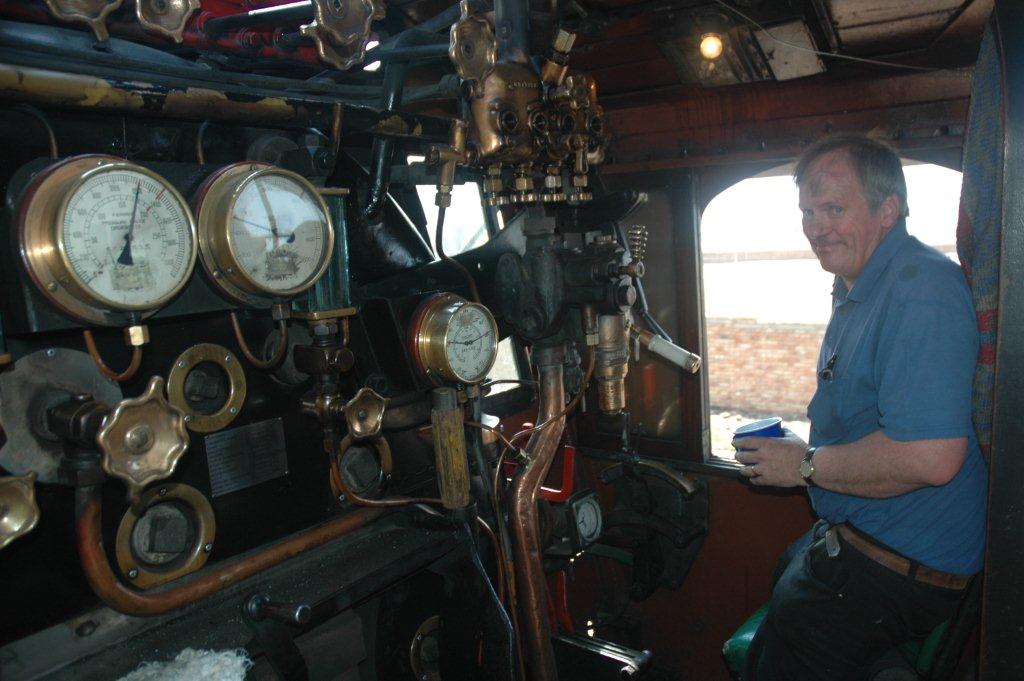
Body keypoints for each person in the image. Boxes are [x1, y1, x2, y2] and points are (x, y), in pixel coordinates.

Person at [735, 135, 988, 681]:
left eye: (834, 208)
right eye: (808, 211)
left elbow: (930, 457)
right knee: (784, 581)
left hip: (908, 565)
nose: (816, 227)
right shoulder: (859, 287)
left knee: (785, 643)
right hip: (863, 536)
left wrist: (802, 465)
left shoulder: (919, 289)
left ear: (887, 210)